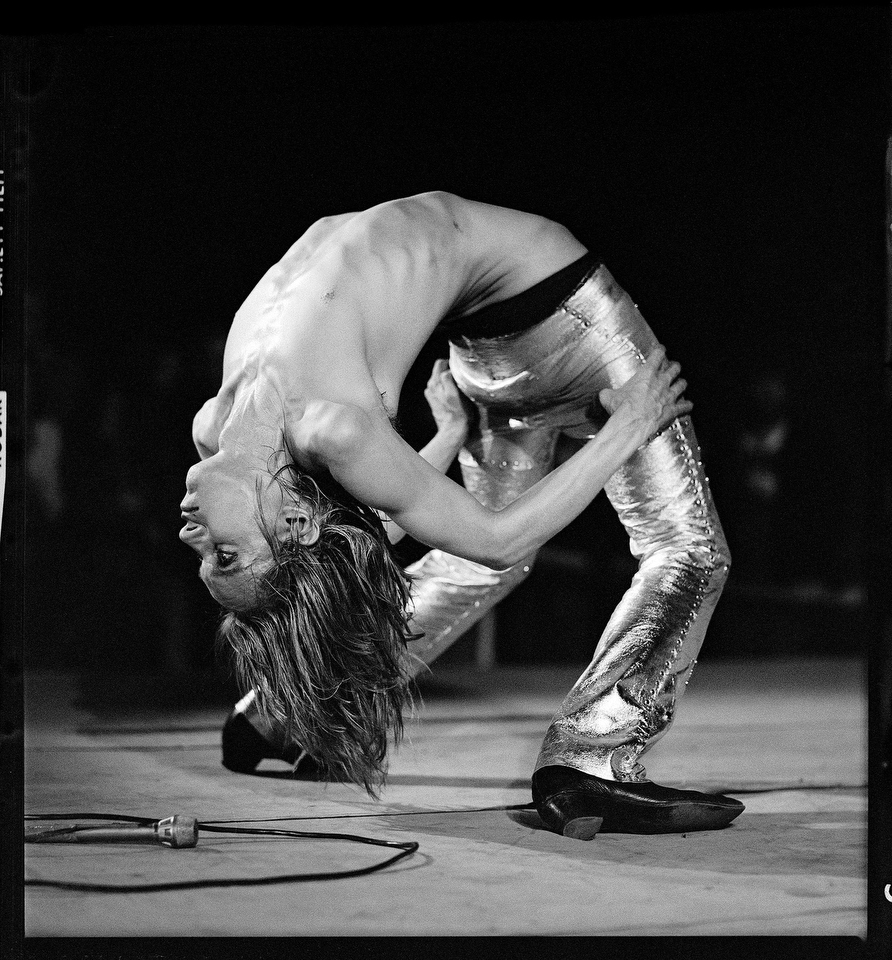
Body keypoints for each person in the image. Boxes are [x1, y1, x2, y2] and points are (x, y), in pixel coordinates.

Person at [180, 191, 743, 838]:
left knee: (467, 553)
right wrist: (630, 426)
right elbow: (497, 541)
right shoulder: (327, 433)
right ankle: (593, 759)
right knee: (689, 550)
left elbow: (352, 540)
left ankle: (289, 709)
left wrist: (447, 438)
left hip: (486, 348)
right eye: (223, 554)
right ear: (290, 528)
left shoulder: (219, 430)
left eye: (209, 555)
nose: (190, 534)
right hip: (570, 321)